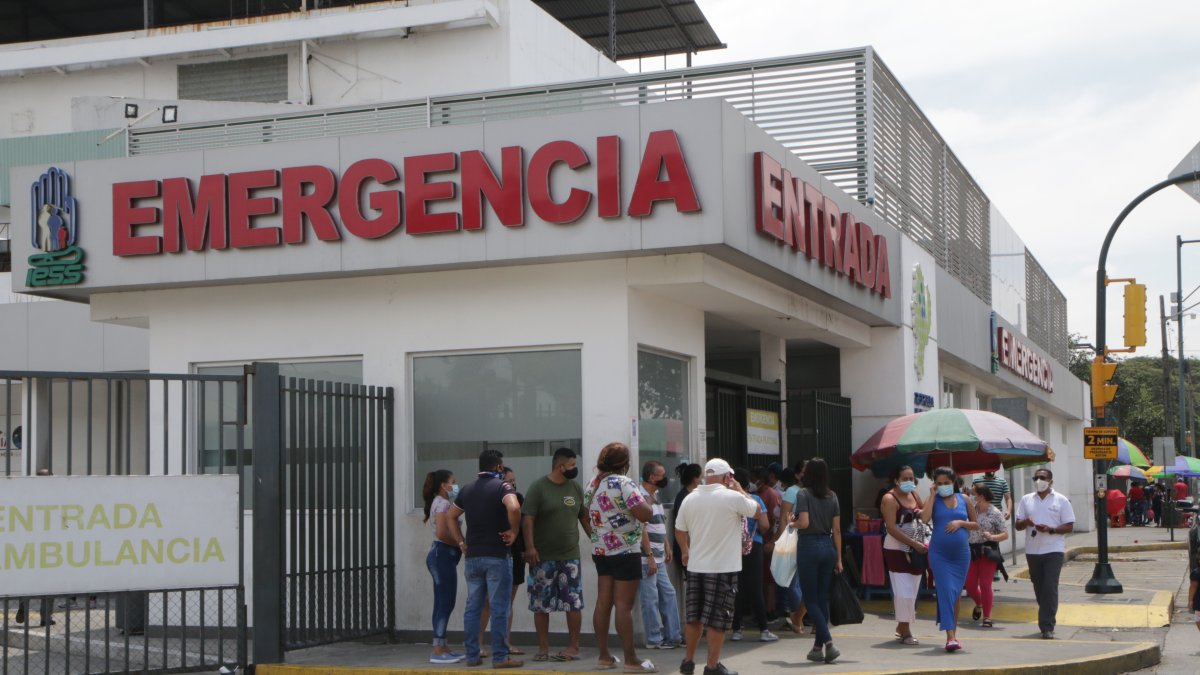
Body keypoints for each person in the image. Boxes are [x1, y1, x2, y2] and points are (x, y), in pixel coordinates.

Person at [675, 458, 762, 675]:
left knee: (694, 616)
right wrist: (741, 489)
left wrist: (686, 551)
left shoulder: (690, 498)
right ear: (726, 477)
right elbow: (757, 511)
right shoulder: (733, 497)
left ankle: (688, 661)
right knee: (718, 619)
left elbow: (679, 529)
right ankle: (712, 666)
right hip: (723, 567)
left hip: (696, 566)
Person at [445, 449, 524, 669]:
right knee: (499, 607)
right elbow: (514, 506)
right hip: (497, 556)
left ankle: (472, 655)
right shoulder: (502, 487)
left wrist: (461, 542)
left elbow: (451, 516)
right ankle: (500, 657)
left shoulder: (468, 489)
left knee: (473, 607)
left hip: (473, 557)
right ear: (499, 467)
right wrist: (514, 531)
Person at [584, 442, 656, 673]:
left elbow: (585, 514)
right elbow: (644, 513)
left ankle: (604, 656)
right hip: (625, 551)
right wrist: (650, 503)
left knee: (603, 602)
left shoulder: (592, 484)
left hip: (601, 551)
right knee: (624, 606)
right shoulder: (624, 483)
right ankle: (631, 660)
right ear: (625, 464)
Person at [522, 447, 590, 662]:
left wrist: (597, 542)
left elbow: (584, 518)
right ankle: (543, 649)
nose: (574, 469)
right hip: (542, 558)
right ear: (560, 466)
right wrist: (530, 547)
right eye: (571, 465)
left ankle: (574, 647)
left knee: (574, 603)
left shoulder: (576, 489)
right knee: (541, 605)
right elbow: (527, 519)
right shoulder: (538, 488)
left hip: (570, 557)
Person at [791, 458, 843, 664]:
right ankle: (817, 648)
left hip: (809, 547)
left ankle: (829, 643)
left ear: (808, 474)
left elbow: (804, 522)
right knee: (822, 599)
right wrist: (839, 558)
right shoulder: (833, 496)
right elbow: (837, 530)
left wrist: (791, 523)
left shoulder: (803, 494)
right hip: (828, 547)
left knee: (810, 599)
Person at [921, 466, 978, 652]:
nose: (943, 486)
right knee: (945, 590)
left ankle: (953, 631)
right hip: (939, 554)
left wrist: (960, 522)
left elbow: (976, 524)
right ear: (934, 484)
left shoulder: (965, 499)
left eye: (947, 483)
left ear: (954, 482)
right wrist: (931, 494)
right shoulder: (933, 500)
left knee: (954, 593)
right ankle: (950, 636)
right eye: (939, 483)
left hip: (961, 555)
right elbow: (924, 518)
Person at [1015, 467, 1075, 640]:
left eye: (1042, 478)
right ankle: (1047, 614)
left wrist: (1052, 529)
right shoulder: (1027, 500)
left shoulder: (1061, 500)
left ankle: (1046, 626)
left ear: (1050, 481)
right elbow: (1018, 525)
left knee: (1050, 587)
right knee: (1040, 588)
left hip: (1053, 549)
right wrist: (1025, 521)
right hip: (1033, 551)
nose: (1038, 481)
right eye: (1036, 478)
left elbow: (1069, 525)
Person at [638, 461, 684, 650]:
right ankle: (654, 639)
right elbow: (642, 530)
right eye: (662, 475)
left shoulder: (655, 496)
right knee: (650, 598)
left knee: (668, 593)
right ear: (651, 477)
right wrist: (649, 555)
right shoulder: (640, 498)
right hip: (646, 557)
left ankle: (673, 636)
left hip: (658, 555)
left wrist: (666, 545)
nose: (666, 478)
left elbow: (658, 524)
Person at [729, 468, 777, 644]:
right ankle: (764, 629)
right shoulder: (755, 500)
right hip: (754, 546)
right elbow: (764, 525)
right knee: (756, 587)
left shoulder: (728, 501)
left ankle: (736, 629)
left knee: (737, 587)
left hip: (732, 547)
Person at [423, 469, 465, 664]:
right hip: (442, 556)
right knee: (445, 602)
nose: (455, 485)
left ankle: (442, 644)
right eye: (452, 482)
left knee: (442, 602)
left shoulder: (441, 503)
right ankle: (438, 650)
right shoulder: (443, 504)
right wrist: (460, 543)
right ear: (443, 485)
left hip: (442, 556)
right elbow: (441, 532)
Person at [880, 464, 926, 646]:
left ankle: (901, 625)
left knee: (913, 590)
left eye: (911, 478)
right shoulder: (889, 498)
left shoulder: (915, 495)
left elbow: (923, 515)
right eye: (905, 479)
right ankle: (906, 631)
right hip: (896, 549)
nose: (909, 482)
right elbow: (890, 528)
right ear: (896, 480)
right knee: (903, 591)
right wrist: (913, 543)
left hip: (916, 548)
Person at [965, 484, 1008, 628]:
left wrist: (993, 537)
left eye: (973, 493)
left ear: (981, 496)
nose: (971, 496)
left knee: (985, 584)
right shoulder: (971, 510)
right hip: (972, 551)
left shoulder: (995, 512)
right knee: (970, 584)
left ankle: (987, 617)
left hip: (988, 551)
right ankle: (979, 603)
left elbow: (1005, 534)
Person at [773, 467, 805, 633]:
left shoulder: (795, 492)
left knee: (793, 580)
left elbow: (785, 517)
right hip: (798, 540)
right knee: (799, 580)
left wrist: (780, 541)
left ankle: (797, 617)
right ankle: (802, 617)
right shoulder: (800, 492)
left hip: (797, 540)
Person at [502, 467, 527, 657]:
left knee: (508, 602)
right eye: (509, 481)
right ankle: (478, 644)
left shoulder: (518, 498)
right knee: (487, 601)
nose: (513, 484)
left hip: (516, 553)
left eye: (514, 480)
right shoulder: (493, 499)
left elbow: (525, 524)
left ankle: (506, 642)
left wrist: (527, 549)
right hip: (497, 553)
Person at [672, 463, 703, 579]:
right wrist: (687, 549)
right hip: (687, 548)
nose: (702, 480)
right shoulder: (683, 497)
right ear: (695, 479)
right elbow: (682, 528)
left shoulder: (696, 495)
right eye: (701, 477)